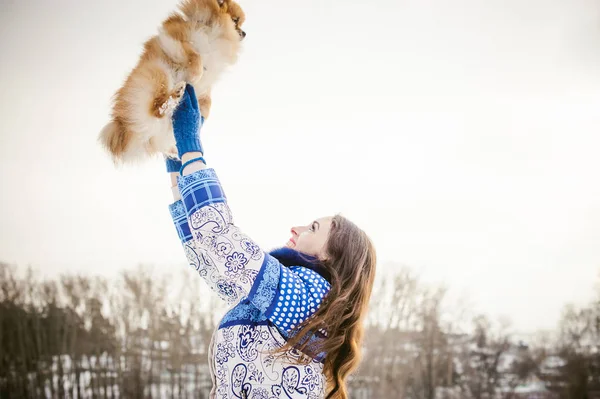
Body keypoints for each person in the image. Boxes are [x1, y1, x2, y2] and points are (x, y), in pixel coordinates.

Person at [165, 84, 376, 399]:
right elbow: (211, 259)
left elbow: (222, 239)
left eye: (313, 227)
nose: (297, 227)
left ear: (332, 256)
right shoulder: (282, 296)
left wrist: (191, 147)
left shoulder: (307, 296)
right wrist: (176, 158)